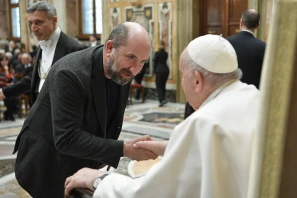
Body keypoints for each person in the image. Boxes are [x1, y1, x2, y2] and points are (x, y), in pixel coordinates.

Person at [64, 35, 261, 198]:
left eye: (183, 75)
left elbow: (148, 194)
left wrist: (99, 180)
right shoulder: (253, 96)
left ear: (198, 81)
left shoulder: (203, 122)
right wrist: (171, 146)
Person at [13, 22, 157, 198]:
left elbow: (109, 117)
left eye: (142, 62)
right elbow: (67, 138)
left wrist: (103, 156)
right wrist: (123, 149)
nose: (135, 69)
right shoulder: (70, 73)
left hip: (79, 158)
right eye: (131, 57)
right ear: (110, 47)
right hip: (46, 162)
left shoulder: (121, 70)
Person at [0, 1, 85, 106]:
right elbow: (36, 76)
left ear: (54, 20)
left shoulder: (74, 48)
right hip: (38, 106)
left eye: (38, 22)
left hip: (60, 110)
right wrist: (4, 92)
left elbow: (80, 89)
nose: (33, 28)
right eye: (30, 23)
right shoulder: (41, 46)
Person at [226, 9, 266, 89]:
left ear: (241, 22)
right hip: (253, 95)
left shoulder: (226, 43)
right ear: (258, 25)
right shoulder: (263, 47)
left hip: (229, 92)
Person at [154, 40, 169, 107]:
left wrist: (154, 71)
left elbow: (155, 63)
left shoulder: (157, 53)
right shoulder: (166, 53)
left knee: (159, 86)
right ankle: (163, 99)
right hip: (166, 70)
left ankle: (162, 100)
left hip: (159, 70)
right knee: (163, 85)